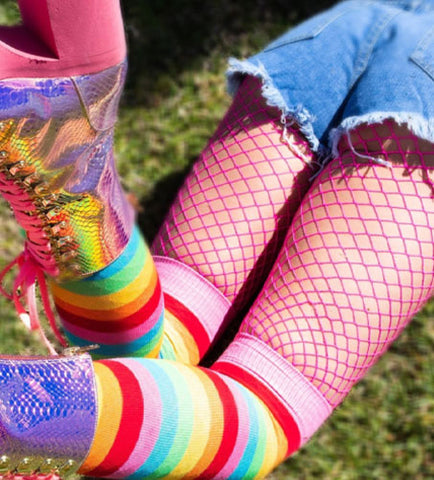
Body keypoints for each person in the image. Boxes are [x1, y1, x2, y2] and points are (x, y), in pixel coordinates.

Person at [0, 0, 432, 478]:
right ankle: (12, 408)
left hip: (327, 42)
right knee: (261, 404)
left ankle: (68, 159)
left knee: (161, 343)